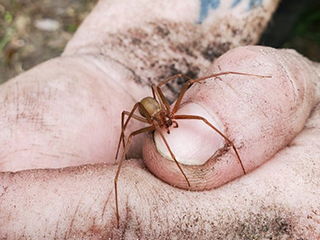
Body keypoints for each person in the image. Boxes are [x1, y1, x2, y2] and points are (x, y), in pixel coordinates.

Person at [0, 0, 319, 238]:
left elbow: (185, 80)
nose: (170, 125)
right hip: (147, 108)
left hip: (163, 102)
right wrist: (110, 63)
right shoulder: (150, 118)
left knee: (196, 94)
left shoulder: (170, 111)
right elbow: (129, 120)